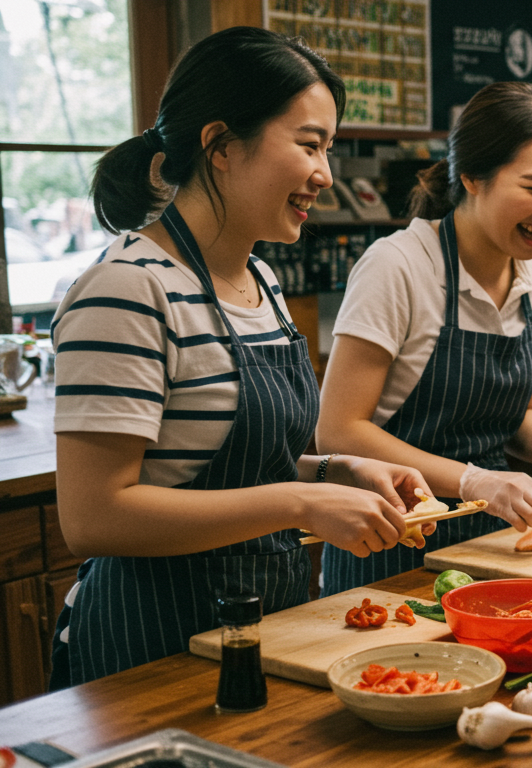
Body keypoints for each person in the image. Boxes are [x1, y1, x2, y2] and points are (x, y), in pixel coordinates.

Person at [49, 27, 433, 688]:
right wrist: (298, 503)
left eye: (329, 149)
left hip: (265, 629)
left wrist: (337, 474)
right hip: (150, 649)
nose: (324, 174)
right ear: (221, 145)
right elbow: (93, 517)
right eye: (309, 145)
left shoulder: (262, 282)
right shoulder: (127, 288)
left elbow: (232, 465)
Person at [315, 81, 532, 593]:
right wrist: (476, 481)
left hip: (492, 546)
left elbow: (518, 417)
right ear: (471, 176)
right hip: (389, 542)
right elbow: (338, 431)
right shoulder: (399, 265)